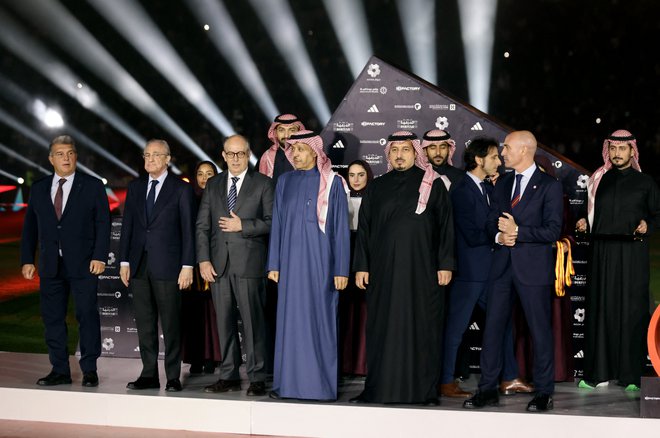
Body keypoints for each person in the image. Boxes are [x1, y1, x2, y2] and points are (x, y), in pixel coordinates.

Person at [352, 131, 455, 405]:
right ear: (389, 154)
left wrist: (445, 264)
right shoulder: (377, 186)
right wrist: (362, 266)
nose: (399, 155)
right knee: (381, 327)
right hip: (383, 271)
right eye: (395, 150)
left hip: (422, 271)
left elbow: (446, 227)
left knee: (423, 326)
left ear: (415, 153)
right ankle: (379, 388)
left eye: (405, 150)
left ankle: (424, 391)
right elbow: (364, 230)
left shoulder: (432, 184)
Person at [464, 130, 562, 412]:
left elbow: (553, 230)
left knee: (540, 332)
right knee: (492, 329)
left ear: (524, 150)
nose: (502, 153)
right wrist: (499, 237)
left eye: (506, 147)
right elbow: (490, 222)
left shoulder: (549, 186)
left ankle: (544, 392)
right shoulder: (503, 184)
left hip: (533, 271)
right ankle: (487, 390)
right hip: (501, 269)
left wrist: (519, 232)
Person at [441, 137, 532, 398]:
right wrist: (498, 237)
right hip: (470, 274)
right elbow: (470, 233)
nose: (499, 160)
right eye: (493, 156)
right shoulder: (461, 191)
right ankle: (446, 380)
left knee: (502, 325)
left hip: (491, 272)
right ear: (479, 160)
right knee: (456, 329)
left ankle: (509, 377)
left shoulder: (489, 189)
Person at [20, 135, 110, 387]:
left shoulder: (91, 186)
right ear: (51, 159)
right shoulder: (38, 188)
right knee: (52, 318)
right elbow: (30, 228)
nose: (66, 158)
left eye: (70, 153)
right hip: (50, 265)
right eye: (60, 154)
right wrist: (28, 259)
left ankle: (90, 369)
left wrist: (100, 256)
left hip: (84, 264)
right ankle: (59, 370)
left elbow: (103, 223)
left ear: (76, 156)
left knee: (87, 315)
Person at [267, 130, 350, 401]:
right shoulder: (284, 181)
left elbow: (340, 229)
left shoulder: (332, 183)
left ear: (316, 152)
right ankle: (288, 384)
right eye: (294, 149)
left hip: (321, 265)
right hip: (290, 266)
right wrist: (274, 263)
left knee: (320, 321)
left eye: (301, 149)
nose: (296, 154)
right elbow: (277, 224)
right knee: (291, 323)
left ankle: (319, 386)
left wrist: (341, 269)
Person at [576, 129, 660, 391]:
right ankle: (597, 374)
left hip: (632, 255)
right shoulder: (598, 180)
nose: (617, 153)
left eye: (622, 149)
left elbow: (657, 215)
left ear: (632, 151)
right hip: (601, 253)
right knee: (600, 310)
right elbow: (587, 214)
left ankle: (630, 376)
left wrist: (648, 224)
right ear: (607, 151)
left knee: (630, 312)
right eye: (613, 148)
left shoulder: (646, 182)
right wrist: (581, 221)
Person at [197, 135, 274, 397]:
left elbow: (273, 222)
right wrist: (204, 260)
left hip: (250, 264)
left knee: (254, 324)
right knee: (224, 322)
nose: (236, 159)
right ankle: (228, 374)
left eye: (241, 154)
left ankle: (257, 376)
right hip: (218, 266)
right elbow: (202, 226)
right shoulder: (213, 184)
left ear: (249, 154)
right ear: (223, 155)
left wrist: (245, 226)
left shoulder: (263, 184)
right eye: (231, 154)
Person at [119, 139, 196, 392]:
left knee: (172, 323)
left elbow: (188, 231)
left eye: (155, 155)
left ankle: (173, 376)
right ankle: (149, 374)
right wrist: (124, 261)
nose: (149, 159)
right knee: (145, 323)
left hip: (169, 266)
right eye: (146, 155)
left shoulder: (181, 189)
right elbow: (128, 227)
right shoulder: (135, 187)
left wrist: (187, 265)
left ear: (167, 159)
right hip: (139, 266)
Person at [181, 161, 222, 375]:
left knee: (214, 312)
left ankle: (213, 357)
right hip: (192, 265)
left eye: (209, 173)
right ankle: (195, 357)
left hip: (216, 263)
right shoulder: (188, 199)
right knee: (193, 312)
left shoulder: (223, 198)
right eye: (200, 174)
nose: (204, 178)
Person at [339, 160, 373, 376]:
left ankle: (363, 364)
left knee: (365, 312)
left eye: (361, 175)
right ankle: (345, 364)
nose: (356, 179)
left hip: (367, 256)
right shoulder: (339, 197)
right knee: (345, 311)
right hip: (344, 254)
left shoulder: (376, 198)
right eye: (352, 175)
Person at [258, 113, 305, 182]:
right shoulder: (267, 157)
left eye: (292, 130)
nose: (286, 135)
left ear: (299, 132)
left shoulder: (307, 155)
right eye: (281, 130)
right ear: (275, 133)